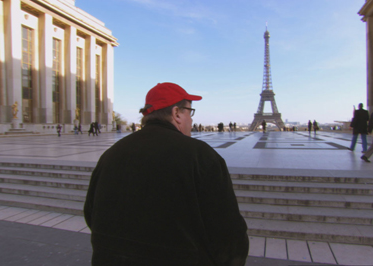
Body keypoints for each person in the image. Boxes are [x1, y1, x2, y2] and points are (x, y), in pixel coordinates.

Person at [84, 82, 249, 265]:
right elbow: (229, 235)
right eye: (190, 112)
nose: (192, 120)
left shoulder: (111, 153)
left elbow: (91, 213)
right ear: (176, 113)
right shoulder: (200, 156)